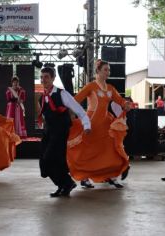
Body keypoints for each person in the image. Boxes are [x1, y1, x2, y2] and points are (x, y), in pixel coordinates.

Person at [67, 59, 131, 189]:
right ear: (98, 71)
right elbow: (75, 100)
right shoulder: (91, 86)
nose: (108, 72)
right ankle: (85, 178)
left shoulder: (111, 88)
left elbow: (120, 100)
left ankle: (112, 176)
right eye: (105, 70)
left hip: (106, 124)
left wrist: (126, 105)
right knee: (87, 152)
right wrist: (72, 114)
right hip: (91, 124)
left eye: (109, 70)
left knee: (111, 150)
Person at [38, 67, 91, 197]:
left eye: (46, 77)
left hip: (60, 131)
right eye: (42, 77)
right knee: (45, 162)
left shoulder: (62, 94)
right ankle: (64, 185)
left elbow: (79, 110)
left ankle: (65, 183)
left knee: (50, 158)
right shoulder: (43, 96)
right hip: (49, 132)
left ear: (53, 78)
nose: (43, 79)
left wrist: (86, 125)